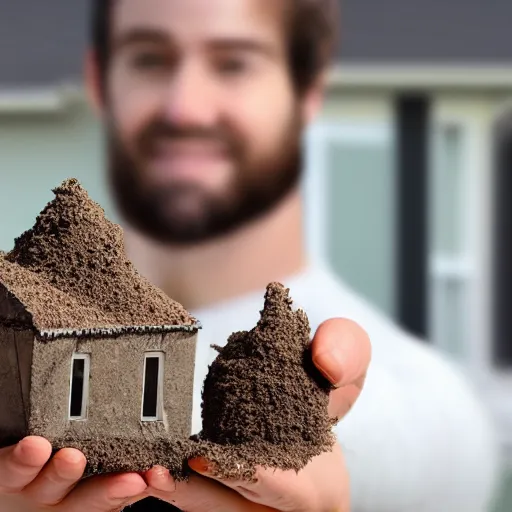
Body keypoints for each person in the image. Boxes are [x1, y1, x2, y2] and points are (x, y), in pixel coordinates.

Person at [0, 0, 500, 511]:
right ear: (99, 80)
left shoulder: (425, 394)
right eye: (150, 58)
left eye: (234, 62)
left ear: (308, 90)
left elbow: (417, 450)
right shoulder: (22, 301)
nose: (185, 108)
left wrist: (320, 468)